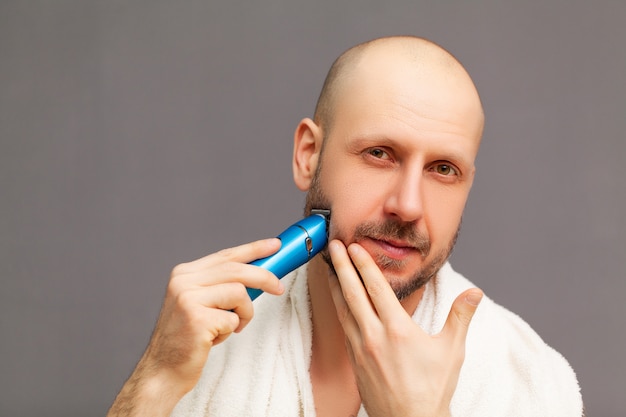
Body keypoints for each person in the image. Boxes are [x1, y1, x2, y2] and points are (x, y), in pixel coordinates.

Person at [107, 36, 582, 417]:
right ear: (308, 155)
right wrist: (156, 379)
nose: (408, 206)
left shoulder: (530, 382)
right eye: (379, 154)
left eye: (443, 169)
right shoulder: (207, 343)